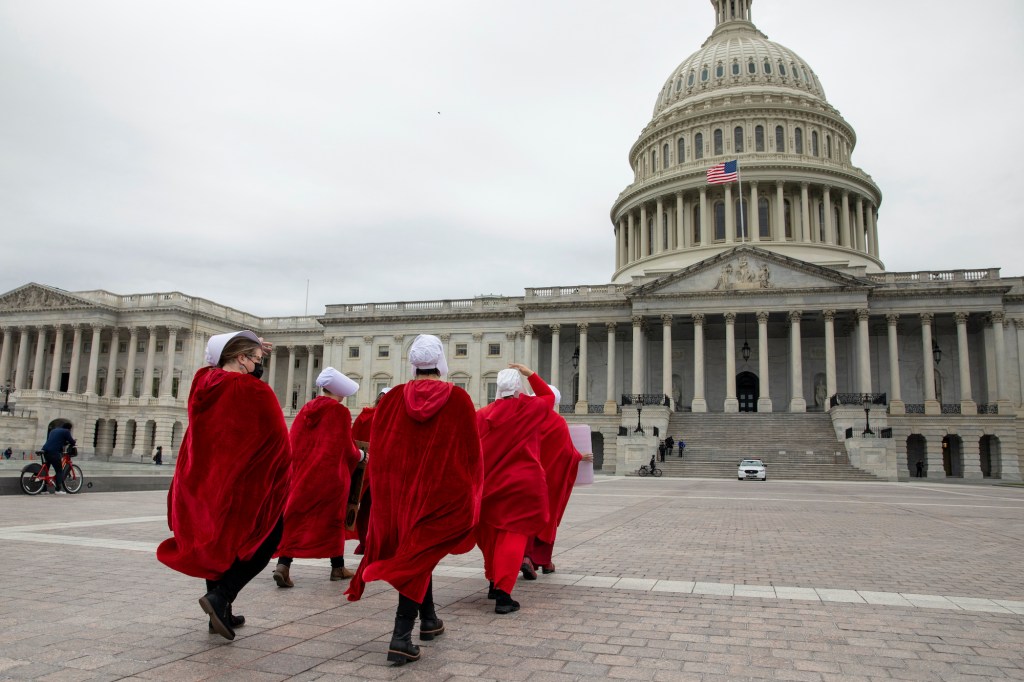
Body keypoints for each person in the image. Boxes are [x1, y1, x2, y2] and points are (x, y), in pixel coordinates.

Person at [346, 334, 482, 667]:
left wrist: (385, 496)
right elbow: (471, 453)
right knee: (417, 554)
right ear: (440, 362)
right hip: (441, 494)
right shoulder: (459, 398)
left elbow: (383, 451)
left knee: (418, 552)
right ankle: (400, 637)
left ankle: (430, 620)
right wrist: (473, 491)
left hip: (401, 494)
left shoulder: (391, 400)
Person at [156, 330, 291, 641]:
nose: (260, 365)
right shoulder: (253, 392)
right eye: (256, 359)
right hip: (241, 487)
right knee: (268, 539)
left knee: (214, 543)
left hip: (200, 481)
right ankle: (222, 596)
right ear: (241, 359)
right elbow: (277, 444)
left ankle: (220, 614)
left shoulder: (203, 383)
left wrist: (250, 345)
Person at [273, 367, 362, 587]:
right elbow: (345, 449)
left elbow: (293, 443)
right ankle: (337, 568)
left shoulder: (305, 409)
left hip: (303, 475)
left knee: (295, 519)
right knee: (333, 521)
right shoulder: (339, 412)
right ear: (338, 392)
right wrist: (362, 455)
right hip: (331, 477)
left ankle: (283, 565)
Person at [476, 364, 552, 615]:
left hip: (489, 485)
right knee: (513, 536)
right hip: (521, 484)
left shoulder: (482, 414)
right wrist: (530, 373)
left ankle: (491, 582)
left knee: (491, 537)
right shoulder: (530, 408)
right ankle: (503, 595)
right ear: (519, 389)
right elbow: (548, 397)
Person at [522, 385, 586, 578]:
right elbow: (568, 454)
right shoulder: (558, 422)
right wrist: (580, 457)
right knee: (548, 519)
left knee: (526, 519)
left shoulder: (526, 421)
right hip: (550, 483)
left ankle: (525, 556)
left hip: (526, 480)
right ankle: (542, 561)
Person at [350, 387, 390, 555]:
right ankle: (377, 543)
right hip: (384, 470)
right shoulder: (391, 419)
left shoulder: (364, 416)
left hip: (364, 467)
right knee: (382, 509)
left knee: (363, 507)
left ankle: (364, 543)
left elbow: (353, 439)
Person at [40, 421, 75, 494]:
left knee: (46, 470)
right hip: (54, 452)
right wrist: (73, 442)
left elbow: (56, 440)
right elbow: (72, 442)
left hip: (45, 450)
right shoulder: (66, 431)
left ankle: (43, 489)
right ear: (69, 429)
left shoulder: (53, 430)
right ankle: (58, 490)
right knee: (59, 471)